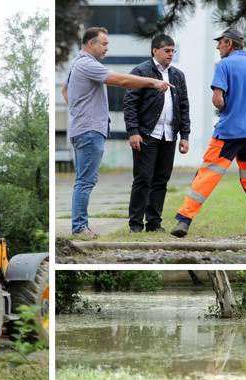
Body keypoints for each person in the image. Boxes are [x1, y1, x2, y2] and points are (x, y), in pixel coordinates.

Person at [62, 27, 173, 239]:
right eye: (103, 44)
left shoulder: (77, 64)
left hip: (84, 128)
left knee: (84, 180)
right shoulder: (87, 64)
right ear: (90, 44)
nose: (106, 48)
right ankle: (79, 228)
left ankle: (80, 226)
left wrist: (79, 111)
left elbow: (65, 91)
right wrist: (153, 82)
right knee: (85, 181)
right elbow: (121, 81)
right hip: (89, 130)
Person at [171, 28, 246, 238]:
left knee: (207, 175)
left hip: (228, 133)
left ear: (229, 43)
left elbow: (218, 99)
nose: (218, 47)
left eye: (220, 43)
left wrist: (230, 108)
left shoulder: (225, 65)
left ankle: (184, 220)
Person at [123, 34, 191, 233]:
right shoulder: (141, 71)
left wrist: (184, 136)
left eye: (173, 51)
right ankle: (135, 225)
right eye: (167, 50)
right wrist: (133, 132)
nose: (171, 54)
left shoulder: (178, 75)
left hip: (169, 135)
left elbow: (184, 106)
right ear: (155, 50)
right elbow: (130, 104)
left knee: (161, 180)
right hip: (146, 134)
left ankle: (154, 223)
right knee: (143, 179)